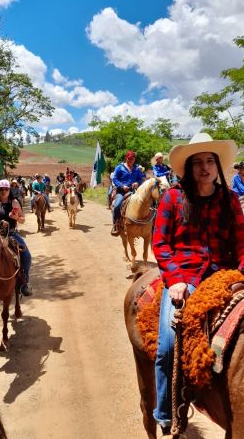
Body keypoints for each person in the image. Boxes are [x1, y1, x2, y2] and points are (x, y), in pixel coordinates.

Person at [152, 133, 244, 434]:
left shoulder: (230, 200)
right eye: (198, 163)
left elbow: (242, 245)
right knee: (167, 345)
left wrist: (241, 275)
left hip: (226, 277)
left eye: (209, 161)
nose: (204, 168)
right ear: (189, 169)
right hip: (185, 277)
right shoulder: (173, 198)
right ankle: (166, 412)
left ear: (217, 166)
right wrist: (175, 280)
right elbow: (161, 244)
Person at [0, 179, 32, 296]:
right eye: (1, 189)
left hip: (11, 233)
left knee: (26, 255)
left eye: (6, 189)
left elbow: (22, 220)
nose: (3, 191)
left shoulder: (15, 202)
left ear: (9, 190)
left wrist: (15, 217)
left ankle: (24, 283)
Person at [111, 151, 145, 235]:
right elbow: (115, 179)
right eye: (129, 158)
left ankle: (143, 224)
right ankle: (116, 225)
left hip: (134, 191)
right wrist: (122, 186)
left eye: (132, 159)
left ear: (134, 159)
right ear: (126, 158)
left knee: (144, 204)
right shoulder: (120, 167)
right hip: (122, 192)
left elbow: (140, 179)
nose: (131, 160)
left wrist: (137, 183)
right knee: (117, 206)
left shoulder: (137, 169)